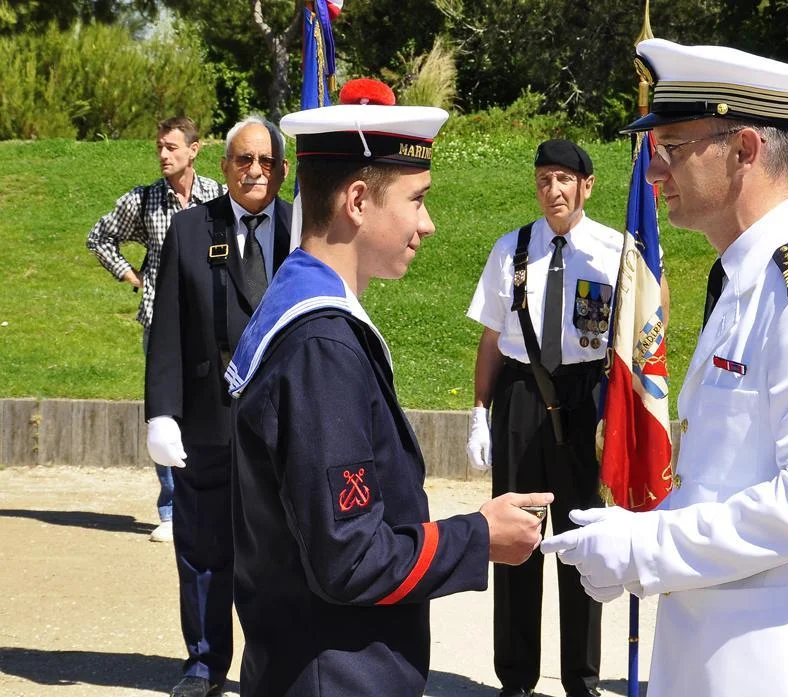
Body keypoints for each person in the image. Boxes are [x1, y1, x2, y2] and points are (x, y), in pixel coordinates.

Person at [541, 39, 788, 697]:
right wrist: (640, 538)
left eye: (671, 147)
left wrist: (648, 547)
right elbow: (723, 477)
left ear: (745, 150)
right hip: (716, 661)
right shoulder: (743, 280)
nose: (654, 173)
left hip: (779, 669)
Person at [222, 79, 551, 697]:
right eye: (416, 199)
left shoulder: (306, 310)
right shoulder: (322, 345)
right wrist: (479, 537)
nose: (428, 223)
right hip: (335, 675)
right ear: (356, 201)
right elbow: (347, 558)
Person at [466, 139, 640, 697]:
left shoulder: (615, 252)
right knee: (515, 537)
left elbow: (639, 337)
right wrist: (478, 410)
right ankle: (515, 679)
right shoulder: (512, 249)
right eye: (544, 179)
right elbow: (492, 338)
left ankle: (581, 679)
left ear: (586, 186)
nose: (553, 190)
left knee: (582, 537)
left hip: (586, 396)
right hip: (520, 395)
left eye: (564, 179)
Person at [144, 115, 292, 697]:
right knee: (204, 548)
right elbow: (169, 329)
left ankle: (276, 660)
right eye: (243, 160)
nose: (254, 171)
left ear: (282, 171)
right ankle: (204, 664)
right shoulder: (188, 229)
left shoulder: (303, 229)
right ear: (225, 166)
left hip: (282, 423)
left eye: (266, 162)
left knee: (277, 550)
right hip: (210, 417)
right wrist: (162, 410)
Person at [86, 116, 222, 543]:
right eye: (159, 147)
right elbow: (99, 237)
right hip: (161, 326)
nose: (163, 155)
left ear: (194, 150)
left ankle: (217, 503)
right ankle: (171, 511)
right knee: (165, 414)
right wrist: (133, 276)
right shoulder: (143, 201)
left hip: (213, 324)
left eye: (172, 147)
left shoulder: (217, 196)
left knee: (213, 411)